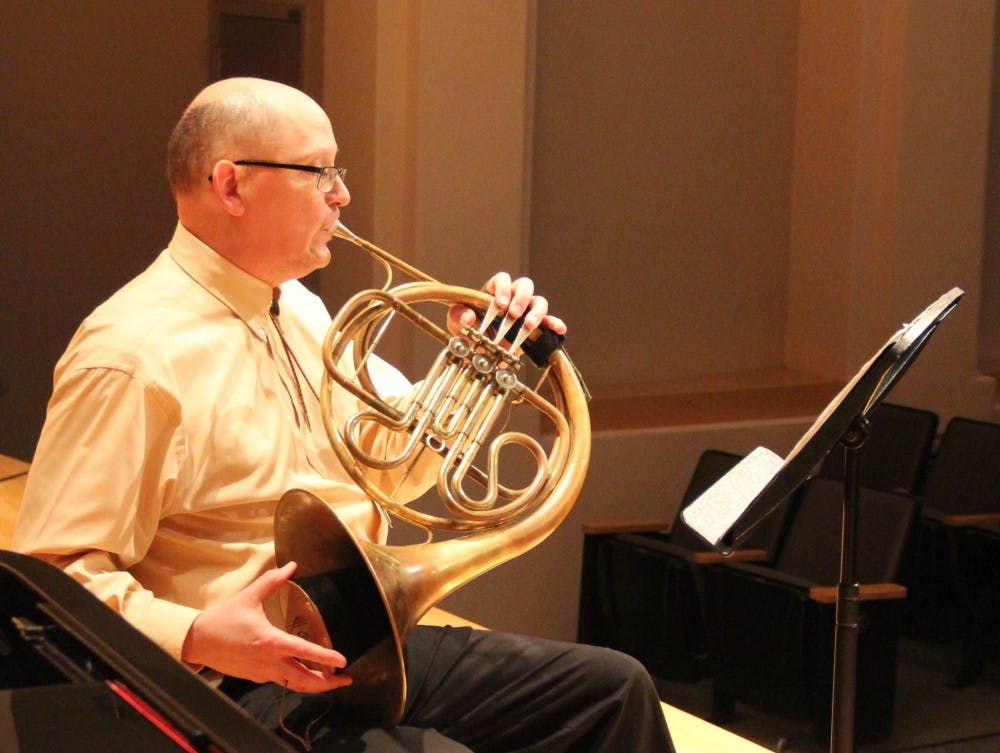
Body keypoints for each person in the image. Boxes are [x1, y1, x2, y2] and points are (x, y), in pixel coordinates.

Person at [13, 77, 675, 753]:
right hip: (228, 684)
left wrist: (480, 361)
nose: (342, 195)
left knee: (613, 689)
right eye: (319, 171)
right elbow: (53, 580)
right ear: (231, 185)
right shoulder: (130, 355)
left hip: (354, 639)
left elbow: (392, 469)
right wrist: (198, 634)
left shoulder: (298, 305)